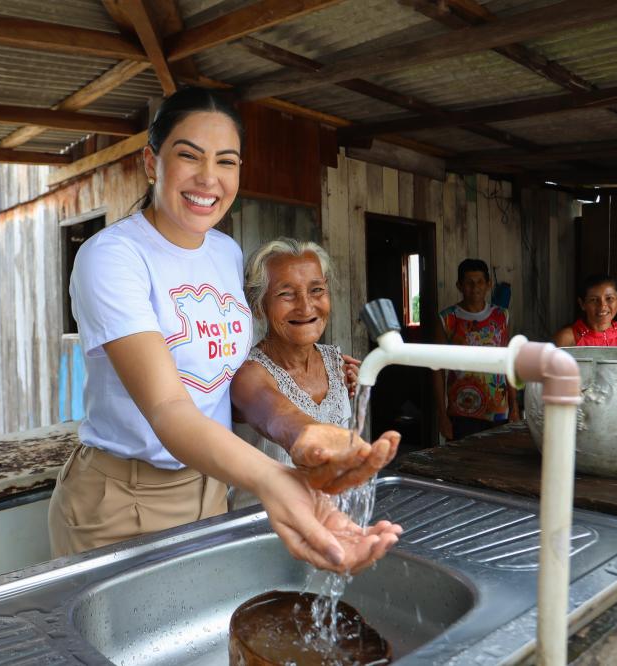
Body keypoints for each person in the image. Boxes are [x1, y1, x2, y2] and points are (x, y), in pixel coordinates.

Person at [48, 87, 401, 574]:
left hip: (212, 484)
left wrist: (300, 432)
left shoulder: (225, 252)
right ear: (152, 163)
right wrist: (276, 479)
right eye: (189, 155)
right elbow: (168, 407)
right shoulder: (112, 257)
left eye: (227, 161)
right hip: (123, 499)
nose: (208, 178)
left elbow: (228, 375)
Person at [228, 239, 398, 510]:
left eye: (316, 290)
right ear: (259, 306)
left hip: (329, 518)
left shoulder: (335, 363)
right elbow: (279, 418)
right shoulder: (248, 374)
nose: (306, 307)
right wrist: (332, 446)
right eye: (286, 294)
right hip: (263, 524)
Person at [432, 258, 519, 441]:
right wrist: (442, 415)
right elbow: (437, 369)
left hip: (498, 411)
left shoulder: (501, 316)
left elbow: (508, 361)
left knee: (496, 466)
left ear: (488, 284)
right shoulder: (447, 319)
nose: (475, 287)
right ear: (459, 285)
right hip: (462, 412)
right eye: (469, 283)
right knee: (464, 465)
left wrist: (514, 406)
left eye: (480, 282)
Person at [553, 274, 617, 347]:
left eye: (609, 298)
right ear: (582, 303)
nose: (602, 306)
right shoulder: (566, 338)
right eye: (594, 300)